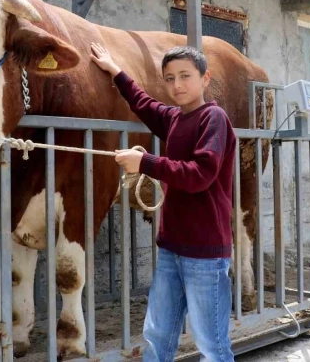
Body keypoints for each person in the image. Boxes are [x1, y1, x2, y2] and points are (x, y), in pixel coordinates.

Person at [90, 43, 236, 362]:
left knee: (211, 343)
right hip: (171, 249)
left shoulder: (214, 119)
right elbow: (143, 103)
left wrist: (145, 163)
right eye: (169, 78)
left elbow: (201, 174)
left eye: (185, 76)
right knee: (157, 336)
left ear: (204, 78)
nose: (177, 85)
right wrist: (114, 69)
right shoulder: (174, 119)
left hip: (205, 254)